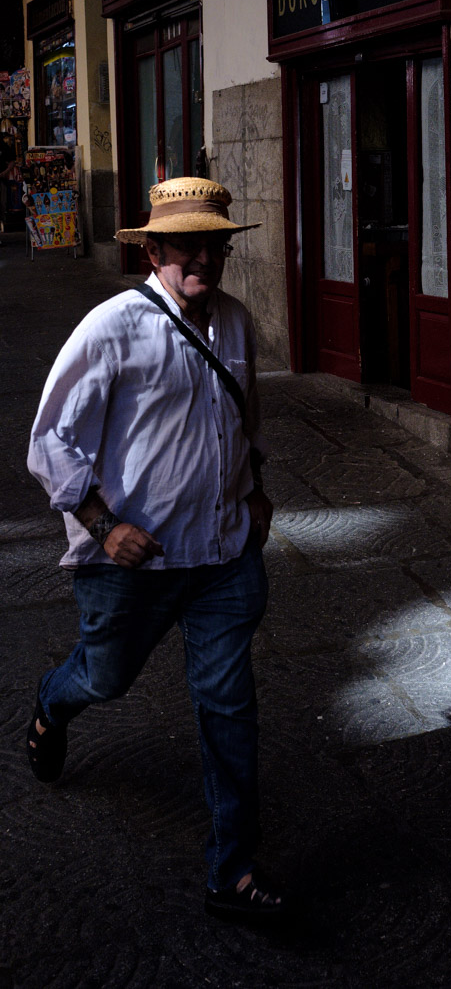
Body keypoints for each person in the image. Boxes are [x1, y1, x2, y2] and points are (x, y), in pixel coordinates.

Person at [26, 176, 286, 925]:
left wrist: (258, 489)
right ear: (154, 250)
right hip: (131, 566)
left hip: (224, 555)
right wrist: (105, 524)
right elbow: (50, 439)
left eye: (217, 242)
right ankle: (51, 701)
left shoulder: (234, 322)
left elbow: (245, 419)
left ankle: (231, 871)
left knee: (229, 705)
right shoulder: (109, 328)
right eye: (187, 244)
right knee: (104, 680)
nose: (204, 256)